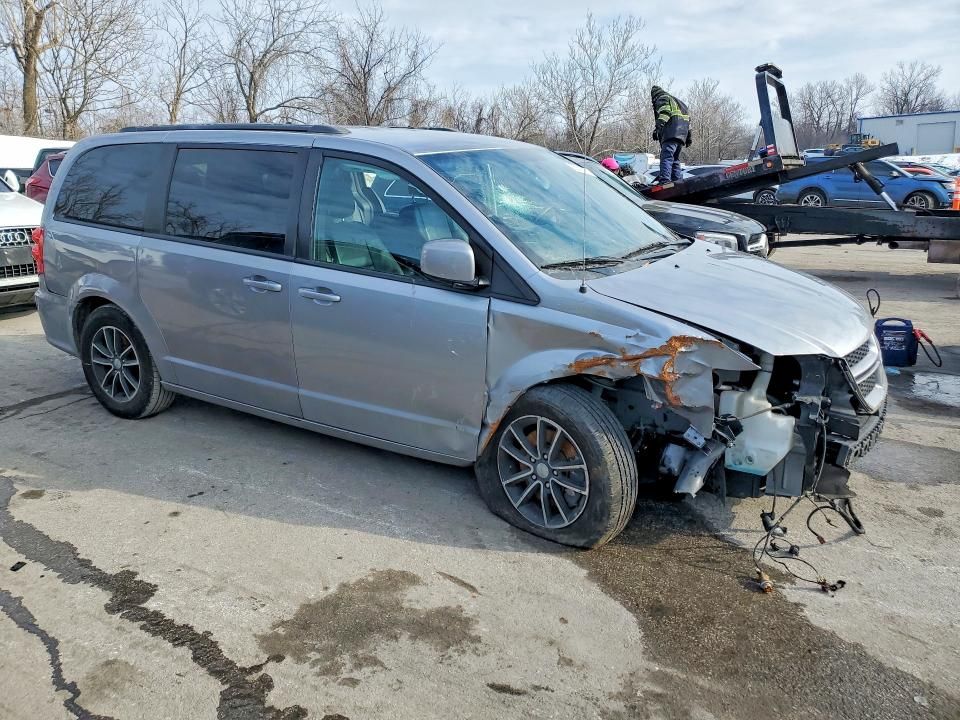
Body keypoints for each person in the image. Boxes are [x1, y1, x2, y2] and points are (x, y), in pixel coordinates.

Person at [651, 85, 692, 184]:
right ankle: (676, 181)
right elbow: (688, 121)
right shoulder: (680, 103)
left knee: (666, 157)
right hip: (682, 136)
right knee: (675, 159)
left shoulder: (662, 98)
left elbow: (665, 112)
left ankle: (665, 181)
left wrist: (658, 128)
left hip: (671, 133)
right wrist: (689, 137)